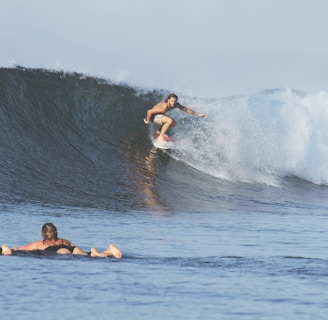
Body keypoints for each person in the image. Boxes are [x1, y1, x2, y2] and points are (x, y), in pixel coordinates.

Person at [1, 222, 122, 258]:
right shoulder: (65, 241)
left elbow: (21, 248)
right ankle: (100, 252)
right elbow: (75, 246)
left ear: (43, 234)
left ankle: (96, 253)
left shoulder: (40, 243)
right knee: (86, 255)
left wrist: (8, 249)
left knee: (69, 255)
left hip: (59, 252)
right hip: (72, 248)